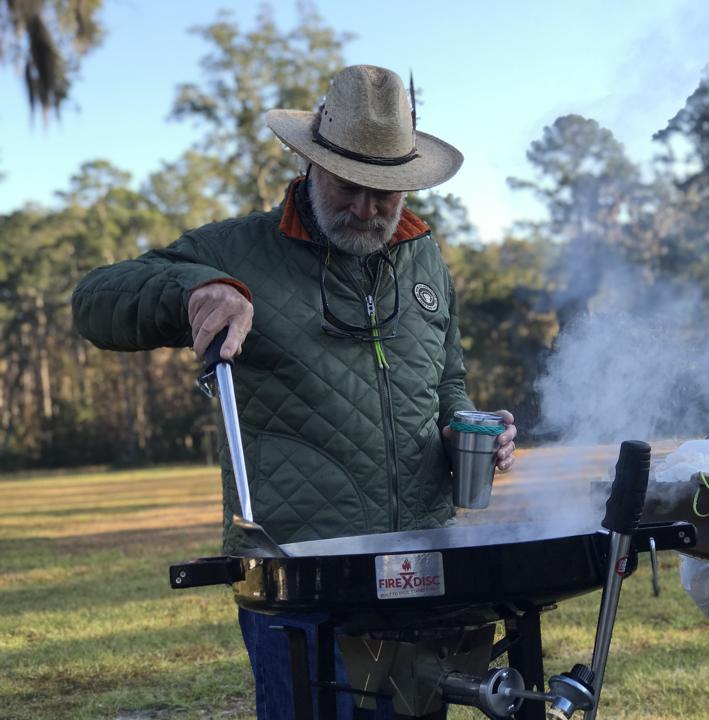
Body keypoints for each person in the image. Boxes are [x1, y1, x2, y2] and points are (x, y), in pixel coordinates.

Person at [72, 64, 517, 719]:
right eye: (349, 187)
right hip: (299, 576)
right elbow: (94, 302)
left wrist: (463, 431)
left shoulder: (425, 257)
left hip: (422, 571)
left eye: (385, 193)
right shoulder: (239, 250)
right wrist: (195, 289)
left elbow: (446, 382)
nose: (368, 210)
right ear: (312, 165)